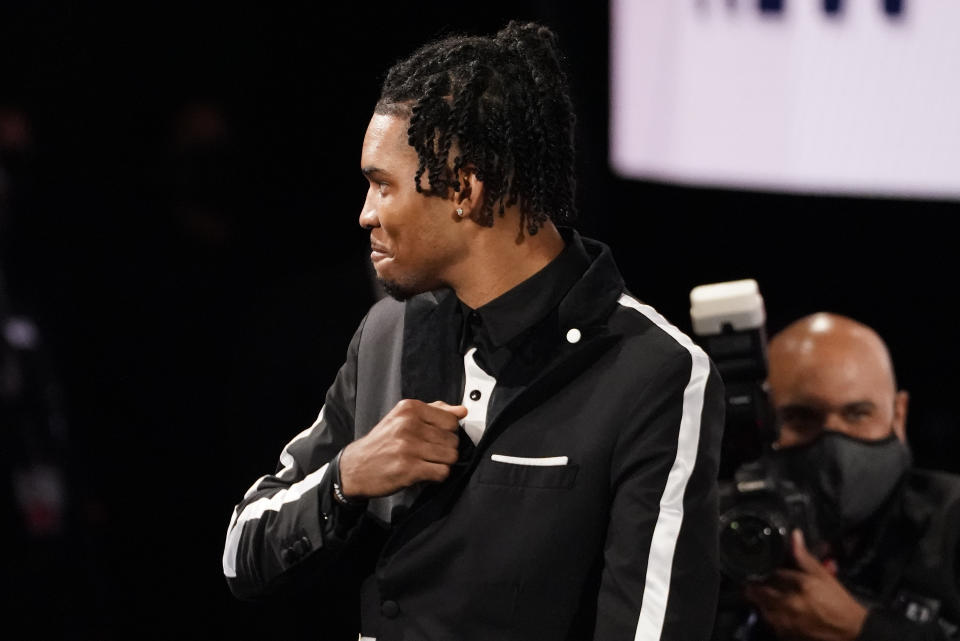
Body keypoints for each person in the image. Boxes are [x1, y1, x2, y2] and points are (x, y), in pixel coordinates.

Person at [223, 21, 725, 641]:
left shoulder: (652, 373)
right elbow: (241, 553)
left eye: (382, 185)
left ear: (463, 188)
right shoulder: (388, 330)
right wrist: (347, 477)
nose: (365, 213)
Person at [724, 312, 960, 641]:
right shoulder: (724, 534)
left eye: (858, 413)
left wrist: (862, 631)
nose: (834, 443)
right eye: (802, 417)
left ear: (899, 415)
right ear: (762, 422)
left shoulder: (950, 522)